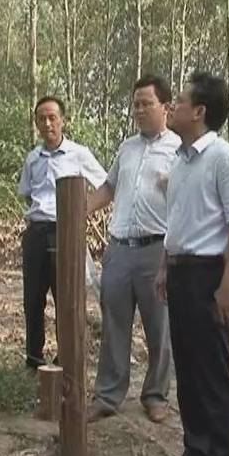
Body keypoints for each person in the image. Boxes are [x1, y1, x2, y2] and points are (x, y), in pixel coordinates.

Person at [155, 71, 229, 456]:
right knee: (187, 366)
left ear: (200, 111)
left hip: (210, 276)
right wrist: (163, 267)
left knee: (213, 372)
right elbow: (176, 223)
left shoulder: (224, 158)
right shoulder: (180, 160)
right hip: (179, 272)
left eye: (179, 100)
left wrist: (228, 284)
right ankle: (194, 449)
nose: (171, 106)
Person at [85, 74, 180, 424]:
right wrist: (79, 210)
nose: (139, 110)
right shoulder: (127, 148)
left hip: (158, 248)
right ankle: (108, 395)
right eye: (136, 104)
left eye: (146, 103)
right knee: (114, 322)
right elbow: (108, 188)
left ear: (166, 108)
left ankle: (156, 395)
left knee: (160, 325)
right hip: (120, 248)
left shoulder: (179, 150)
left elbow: (187, 201)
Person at [18, 96, 107, 370]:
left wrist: (81, 211)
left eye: (52, 117)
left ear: (63, 120)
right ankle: (34, 360)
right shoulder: (33, 158)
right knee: (33, 298)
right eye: (41, 119)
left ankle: (67, 359)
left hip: (66, 232)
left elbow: (105, 185)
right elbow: (26, 194)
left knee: (67, 297)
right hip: (36, 233)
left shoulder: (78, 154)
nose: (47, 124)